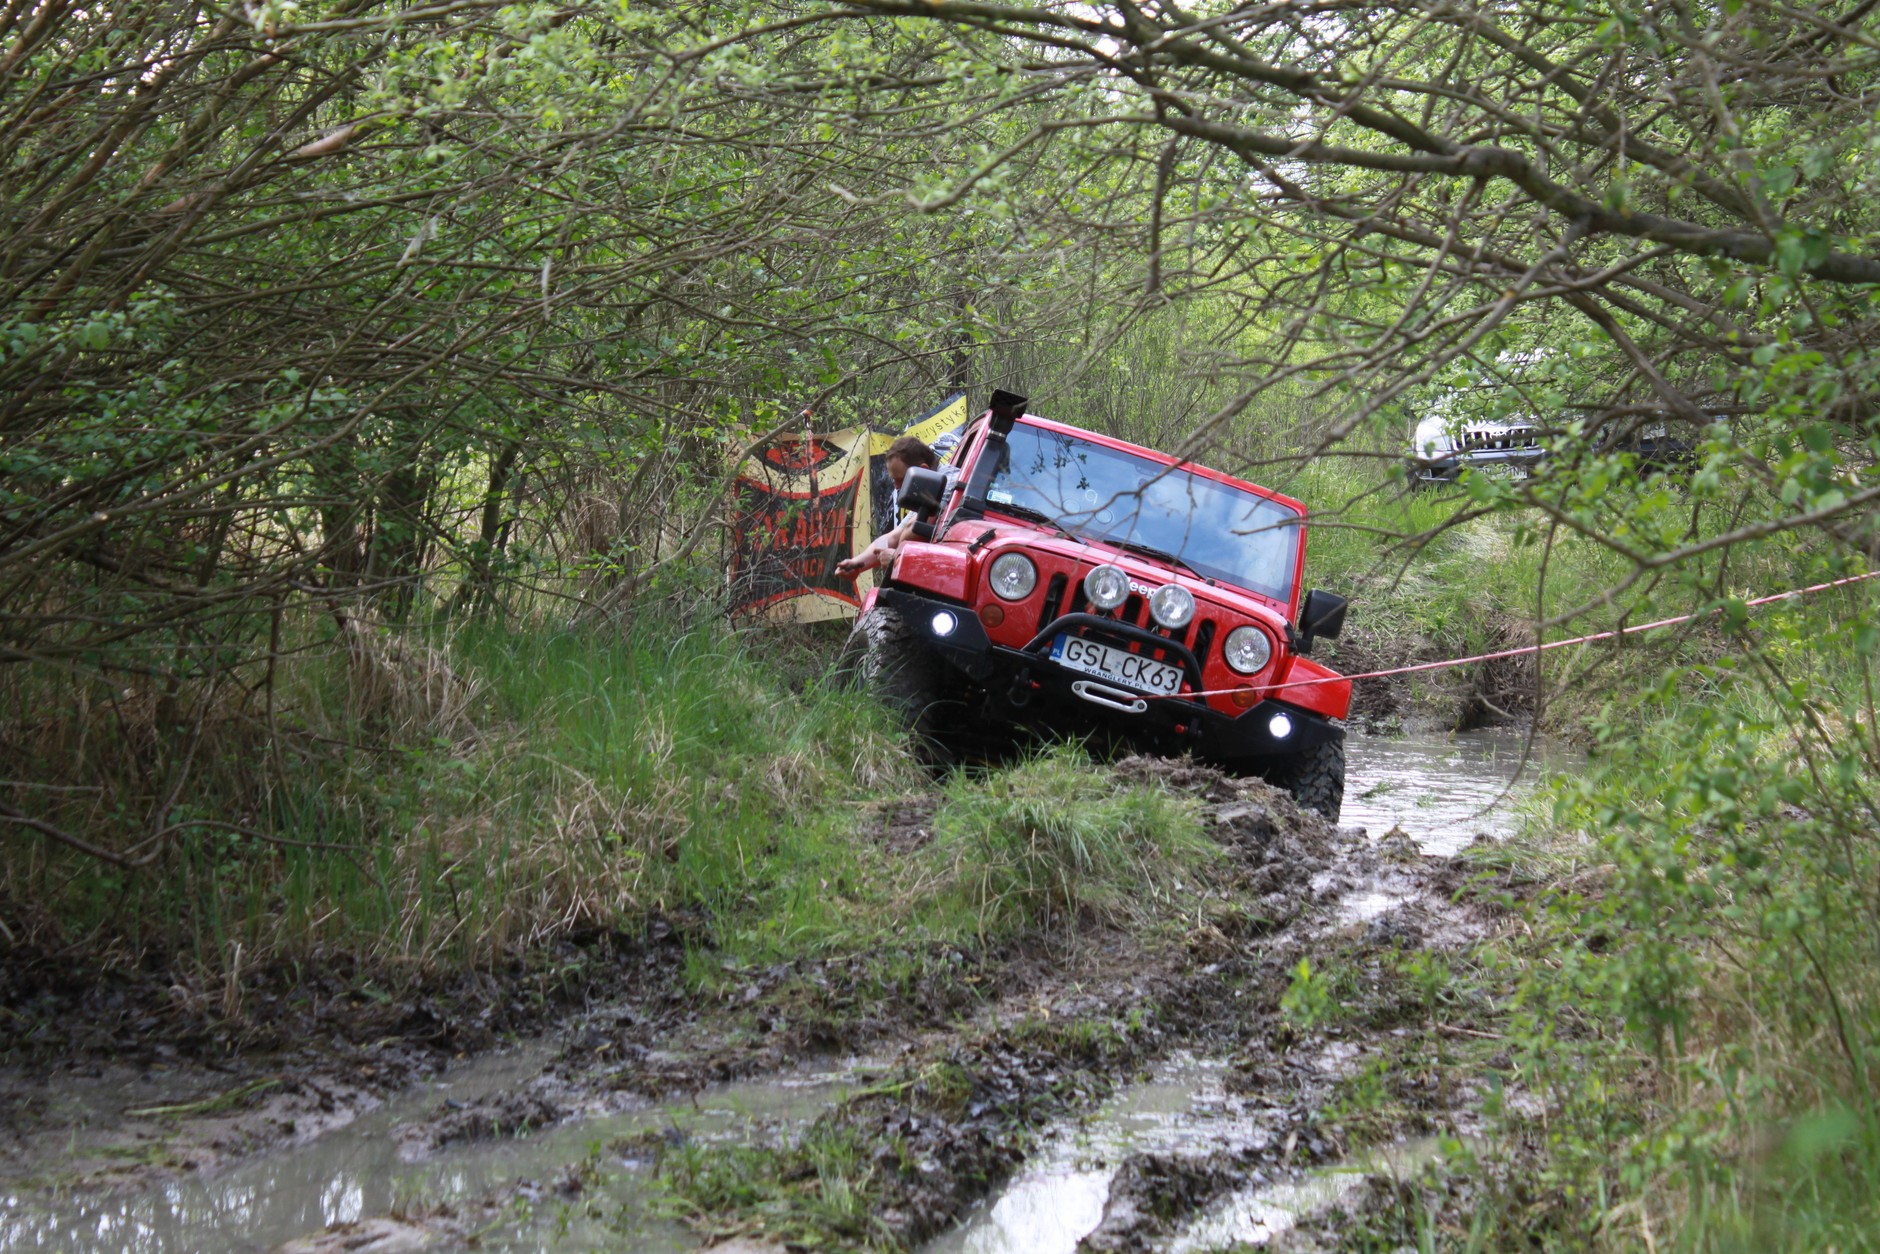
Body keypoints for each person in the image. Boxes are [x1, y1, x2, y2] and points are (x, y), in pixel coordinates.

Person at [837, 436, 954, 579]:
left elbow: (914, 531)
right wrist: (857, 563)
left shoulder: (949, 483)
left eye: (901, 479)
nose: (897, 487)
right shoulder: (927, 487)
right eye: (894, 481)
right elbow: (893, 536)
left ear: (923, 470)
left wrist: (897, 556)